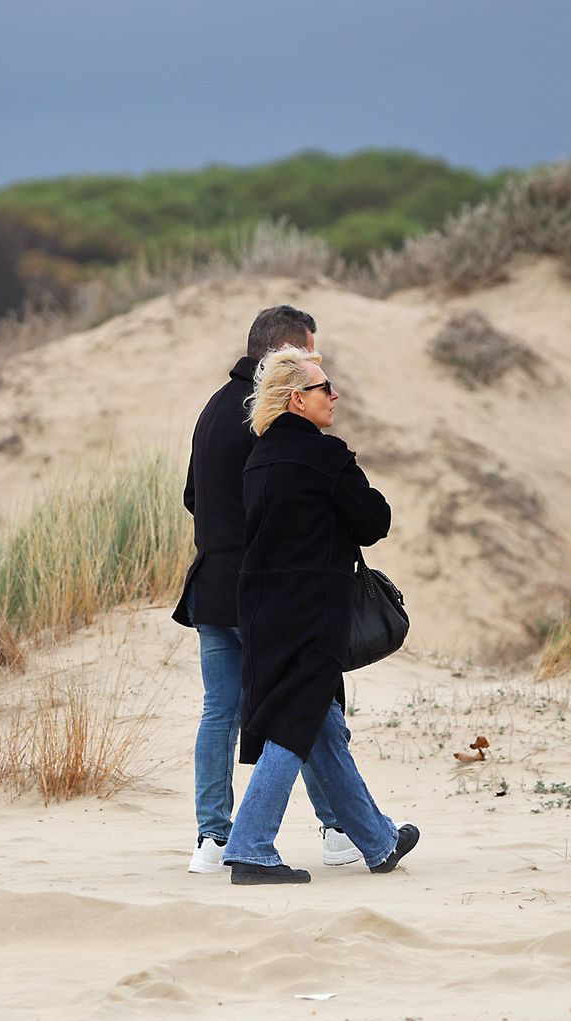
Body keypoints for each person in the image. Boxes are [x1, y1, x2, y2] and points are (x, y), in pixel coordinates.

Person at [173, 306, 361, 875]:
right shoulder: (267, 415)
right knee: (305, 702)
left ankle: (212, 838)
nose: (316, 369)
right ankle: (337, 830)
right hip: (264, 592)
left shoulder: (211, 410)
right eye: (311, 356)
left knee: (220, 712)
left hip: (211, 583)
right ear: (283, 353)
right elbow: (285, 503)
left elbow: (191, 497)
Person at [223, 346, 420, 885]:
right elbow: (374, 520)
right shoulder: (324, 456)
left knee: (321, 728)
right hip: (312, 612)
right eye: (323, 388)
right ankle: (250, 848)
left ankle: (378, 842)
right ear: (296, 399)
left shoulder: (258, 458)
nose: (334, 396)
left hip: (261, 610)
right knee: (294, 723)